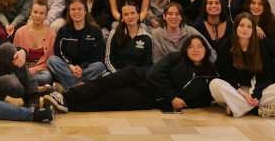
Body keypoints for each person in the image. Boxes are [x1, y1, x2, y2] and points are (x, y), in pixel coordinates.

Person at [46, 34, 217, 115]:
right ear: (186, 49)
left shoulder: (208, 75)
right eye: (191, 46)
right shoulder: (176, 58)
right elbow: (157, 74)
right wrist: (171, 97)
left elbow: (204, 98)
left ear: (206, 50)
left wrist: (184, 104)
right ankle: (65, 96)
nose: (195, 50)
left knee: (109, 100)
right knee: (103, 84)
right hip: (140, 76)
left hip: (150, 97)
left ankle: (63, 105)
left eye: (200, 46)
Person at [209, 14, 275, 118]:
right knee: (214, 84)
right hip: (234, 91)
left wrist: (255, 95)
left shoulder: (260, 46)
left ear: (253, 30)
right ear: (236, 28)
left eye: (249, 26)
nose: (245, 29)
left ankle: (237, 107)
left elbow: (265, 77)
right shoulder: (226, 46)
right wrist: (243, 94)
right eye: (242, 25)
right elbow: (227, 76)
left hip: (255, 91)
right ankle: (257, 110)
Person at [47, 0, 106, 89]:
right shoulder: (63, 31)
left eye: (79, 9)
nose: (76, 12)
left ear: (85, 11)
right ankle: (79, 86)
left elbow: (97, 56)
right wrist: (71, 66)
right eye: (73, 9)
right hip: (68, 68)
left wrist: (82, 68)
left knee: (100, 66)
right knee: (52, 60)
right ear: (69, 12)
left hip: (87, 69)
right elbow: (59, 53)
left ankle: (68, 84)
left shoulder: (95, 30)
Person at [13, 0, 56, 86]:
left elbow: (49, 61)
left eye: (42, 13)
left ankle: (23, 85)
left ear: (46, 15)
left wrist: (31, 71)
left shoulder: (52, 35)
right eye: (35, 12)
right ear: (30, 12)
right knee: (12, 75)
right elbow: (14, 55)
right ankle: (34, 87)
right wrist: (24, 71)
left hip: (40, 71)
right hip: (21, 69)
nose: (38, 16)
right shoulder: (20, 32)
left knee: (47, 77)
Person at [104, 1, 152, 72]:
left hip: (138, 77)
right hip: (117, 75)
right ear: (122, 18)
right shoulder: (114, 33)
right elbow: (108, 60)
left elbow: (148, 65)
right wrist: (118, 75)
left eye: (132, 13)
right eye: (126, 14)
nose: (130, 16)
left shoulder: (147, 37)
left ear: (138, 15)